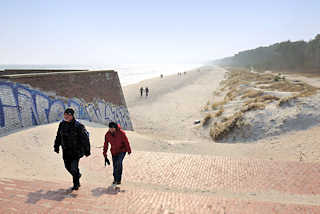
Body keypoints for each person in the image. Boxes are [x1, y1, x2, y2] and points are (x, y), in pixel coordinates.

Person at [54, 108, 91, 190]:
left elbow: (85, 139)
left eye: (68, 115)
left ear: (72, 116)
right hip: (65, 150)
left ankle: (76, 184)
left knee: (74, 168)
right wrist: (56, 146)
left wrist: (87, 150)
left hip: (75, 151)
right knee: (67, 167)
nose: (66, 116)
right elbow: (58, 136)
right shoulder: (62, 124)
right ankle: (77, 175)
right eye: (65, 114)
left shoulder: (78, 126)